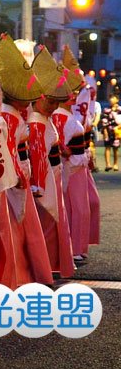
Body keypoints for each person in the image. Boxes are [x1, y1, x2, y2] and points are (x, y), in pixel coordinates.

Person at [0, 33, 54, 287]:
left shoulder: (10, 112)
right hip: (11, 175)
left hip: (13, 172)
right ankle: (16, 276)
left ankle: (20, 275)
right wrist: (21, 177)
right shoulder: (9, 115)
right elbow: (9, 149)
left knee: (18, 228)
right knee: (12, 229)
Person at [29, 48, 75, 278]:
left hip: (52, 175)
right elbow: (37, 155)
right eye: (50, 101)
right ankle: (44, 266)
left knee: (52, 222)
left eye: (57, 102)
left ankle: (49, 265)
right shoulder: (36, 121)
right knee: (47, 222)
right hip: (45, 179)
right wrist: (39, 184)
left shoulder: (42, 118)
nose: (54, 106)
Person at [53, 46, 100, 262]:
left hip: (79, 160)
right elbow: (56, 139)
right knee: (77, 206)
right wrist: (65, 150)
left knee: (86, 203)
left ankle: (75, 245)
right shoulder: (58, 116)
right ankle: (73, 248)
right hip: (70, 162)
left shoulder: (70, 110)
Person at [100, 95, 120, 171]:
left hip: (117, 131)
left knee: (115, 148)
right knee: (107, 147)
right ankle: (108, 164)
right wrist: (105, 132)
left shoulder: (119, 109)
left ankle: (115, 164)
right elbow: (104, 121)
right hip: (108, 131)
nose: (111, 100)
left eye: (113, 98)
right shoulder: (106, 109)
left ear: (117, 100)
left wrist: (118, 128)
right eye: (110, 98)